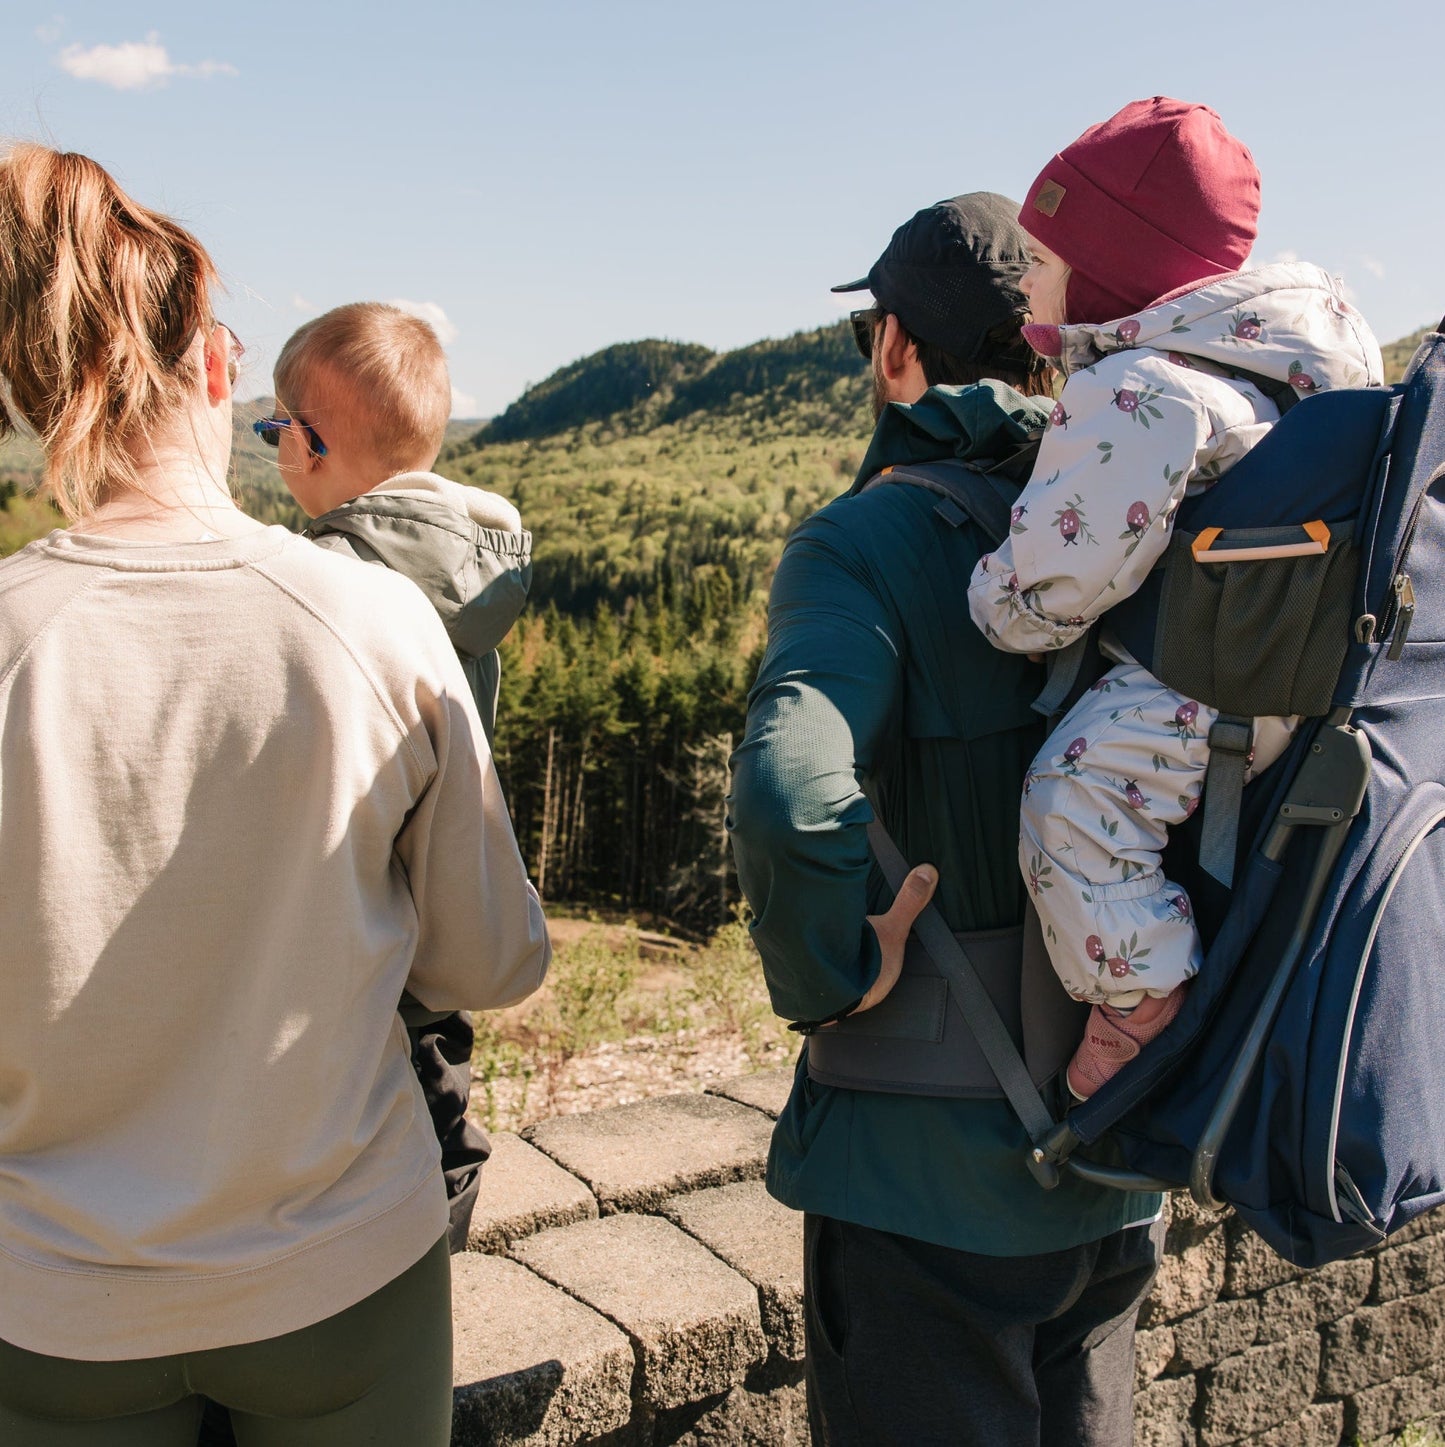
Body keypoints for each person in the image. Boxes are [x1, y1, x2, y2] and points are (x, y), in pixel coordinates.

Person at [0, 143, 550, 1446]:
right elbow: (490, 960)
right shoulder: (372, 620)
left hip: (51, 1295)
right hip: (336, 1273)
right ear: (215, 365)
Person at [728, 192, 1166, 1447]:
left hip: (920, 1181)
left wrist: (830, 976)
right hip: (1121, 1142)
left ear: (893, 348)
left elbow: (788, 787)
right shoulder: (1138, 521)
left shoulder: (858, 545)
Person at [965, 99, 1383, 1098]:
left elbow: (1054, 589)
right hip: (1308, 675)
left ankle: (1137, 1001)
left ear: (1112, 265)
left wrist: (989, 595)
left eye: (1042, 254)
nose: (1024, 276)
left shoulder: (1138, 393)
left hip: (1200, 679)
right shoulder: (1294, 371)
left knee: (1071, 803)